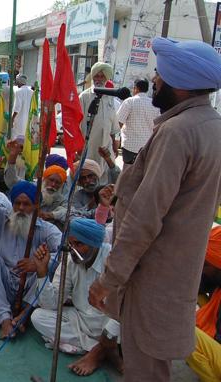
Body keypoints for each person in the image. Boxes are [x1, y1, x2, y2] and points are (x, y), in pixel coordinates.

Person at [88, 38, 221, 381]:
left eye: (159, 75)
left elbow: (146, 218)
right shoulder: (212, 126)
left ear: (178, 83)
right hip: (177, 273)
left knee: (145, 370)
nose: (154, 81)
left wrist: (109, 279)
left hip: (153, 276)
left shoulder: (178, 132)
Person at [0, 158, 62, 338]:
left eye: (27, 204)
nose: (21, 208)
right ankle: (5, 320)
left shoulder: (47, 230)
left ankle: (24, 315)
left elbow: (64, 254)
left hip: (30, 287)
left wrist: (37, 265)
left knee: (49, 267)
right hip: (5, 283)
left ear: (35, 206)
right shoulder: (2, 220)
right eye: (17, 203)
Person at [31, 218, 122, 376]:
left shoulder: (113, 259)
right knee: (38, 316)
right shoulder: (70, 259)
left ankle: (99, 349)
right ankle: (101, 349)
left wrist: (110, 332)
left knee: (122, 324)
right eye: (70, 244)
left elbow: (125, 306)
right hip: (81, 320)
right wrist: (42, 272)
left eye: (79, 244)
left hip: (111, 324)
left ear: (94, 245)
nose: (73, 250)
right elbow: (51, 304)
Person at [186, 227, 221, 382]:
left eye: (206, 265)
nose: (202, 269)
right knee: (193, 291)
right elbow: (194, 286)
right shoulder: (217, 275)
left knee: (182, 333)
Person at [79, 62, 119, 184]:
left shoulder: (110, 98)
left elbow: (114, 126)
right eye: (96, 76)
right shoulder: (84, 97)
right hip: (88, 146)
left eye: (102, 76)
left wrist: (115, 146)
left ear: (106, 78)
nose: (99, 79)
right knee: (87, 176)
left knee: (105, 179)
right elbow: (77, 122)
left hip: (106, 147)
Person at [116, 78, 160, 166]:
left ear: (135, 88)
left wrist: (115, 142)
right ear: (147, 89)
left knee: (128, 172)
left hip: (130, 146)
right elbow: (158, 125)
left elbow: (118, 123)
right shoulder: (154, 104)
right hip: (147, 147)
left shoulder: (129, 102)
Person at [12, 74, 34, 139]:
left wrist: (12, 119)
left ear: (19, 82)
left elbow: (17, 107)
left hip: (19, 120)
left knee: (17, 139)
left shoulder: (18, 92)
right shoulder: (32, 92)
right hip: (29, 119)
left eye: (17, 82)